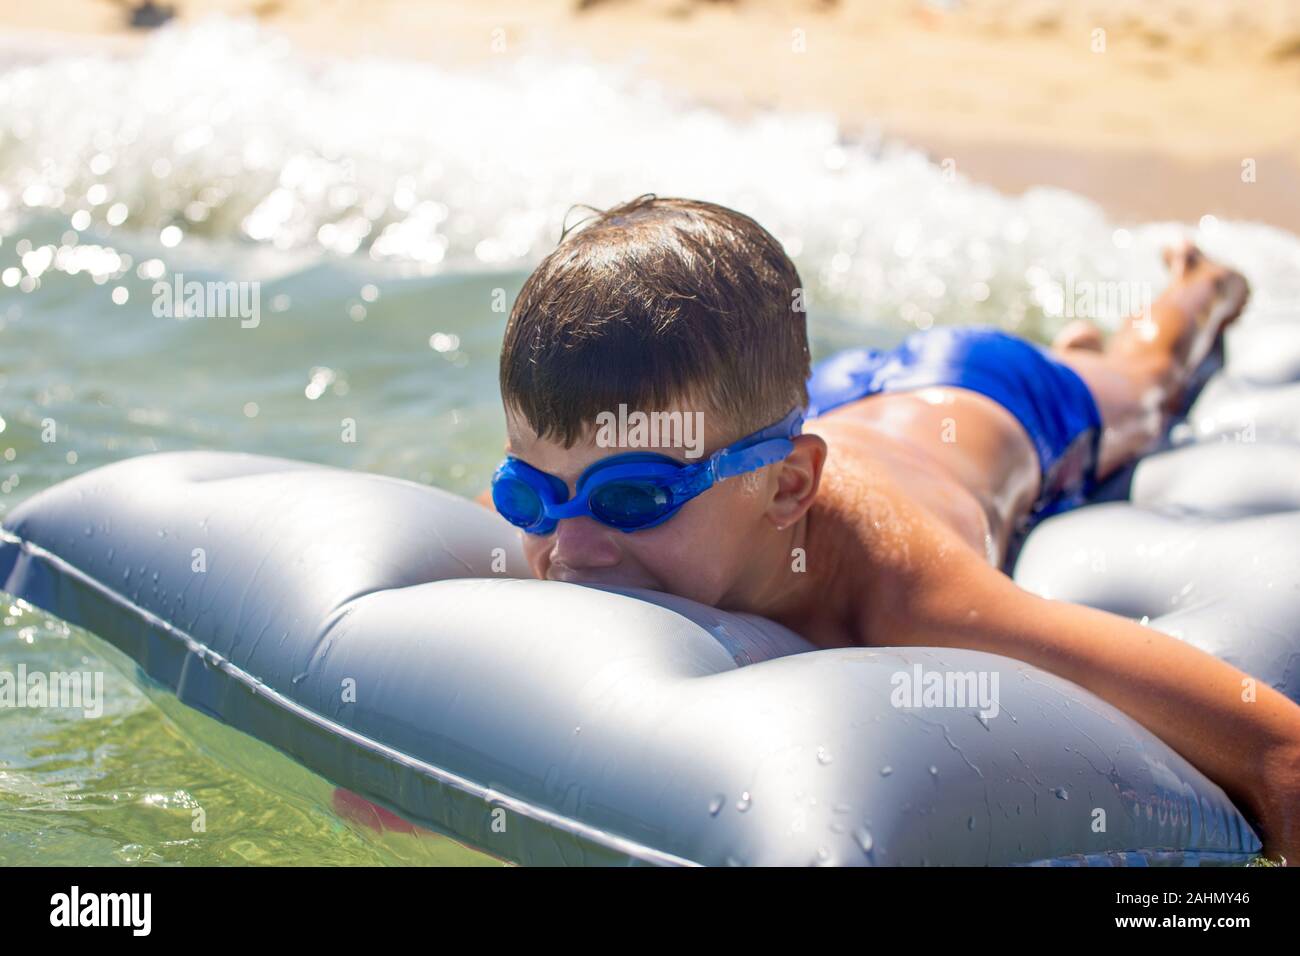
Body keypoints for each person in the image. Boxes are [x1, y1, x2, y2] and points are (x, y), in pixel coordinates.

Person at [486, 194, 1298, 862]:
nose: (572, 548)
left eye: (633, 499)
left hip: (985, 395)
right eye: (527, 493)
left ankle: (1197, 288)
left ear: (788, 488)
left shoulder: (910, 598)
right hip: (841, 401)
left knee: (1143, 384)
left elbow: (1276, 750)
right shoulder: (613, 498)